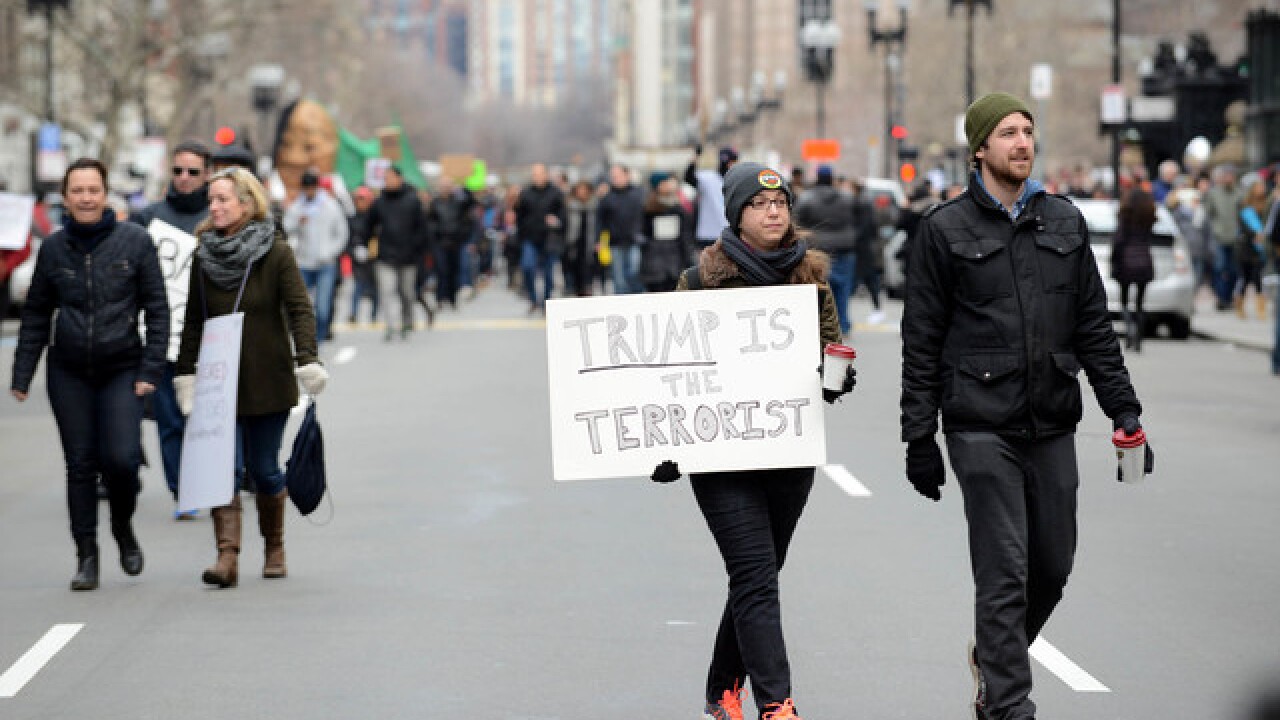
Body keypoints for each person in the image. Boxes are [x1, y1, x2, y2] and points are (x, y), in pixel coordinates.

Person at [900, 92, 1149, 720]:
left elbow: (1094, 324)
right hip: (979, 422)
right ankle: (1009, 705)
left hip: (1051, 419)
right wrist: (918, 436)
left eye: (1028, 131)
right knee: (1005, 567)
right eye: (1007, 132)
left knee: (1053, 564)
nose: (1022, 142)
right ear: (979, 148)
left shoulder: (1062, 221)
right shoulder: (943, 229)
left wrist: (1124, 412)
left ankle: (993, 653)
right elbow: (922, 337)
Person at [655, 162, 853, 720]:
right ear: (737, 216)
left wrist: (834, 380)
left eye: (781, 204)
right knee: (756, 578)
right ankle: (777, 703)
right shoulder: (698, 282)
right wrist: (665, 445)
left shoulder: (810, 282)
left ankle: (722, 689)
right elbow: (669, 376)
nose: (773, 212)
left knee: (756, 577)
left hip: (789, 454)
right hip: (722, 461)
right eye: (760, 205)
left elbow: (831, 352)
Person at [10, 158, 169, 591]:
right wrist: (22, 374)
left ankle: (122, 527)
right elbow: (37, 313)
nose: (85, 198)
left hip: (123, 368)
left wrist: (150, 368)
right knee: (79, 465)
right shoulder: (54, 249)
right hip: (70, 372)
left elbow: (157, 310)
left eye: (93, 190)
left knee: (120, 461)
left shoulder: (134, 242)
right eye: (77, 191)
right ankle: (86, 556)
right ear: (66, 197)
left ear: (105, 194)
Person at [174, 167, 325, 588]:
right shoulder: (203, 255)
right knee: (224, 469)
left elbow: (299, 308)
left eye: (223, 199)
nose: (215, 207)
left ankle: (274, 546)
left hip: (266, 377)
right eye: (212, 200)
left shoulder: (274, 250)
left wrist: (307, 358)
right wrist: (185, 374)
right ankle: (227, 557)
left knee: (263, 470)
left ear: (246, 202)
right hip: (219, 381)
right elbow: (192, 321)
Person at [129, 140, 212, 517]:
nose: (183, 178)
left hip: (210, 336)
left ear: (206, 174)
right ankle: (183, 493)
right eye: (178, 170)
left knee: (207, 418)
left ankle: (214, 481)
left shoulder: (220, 214)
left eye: (192, 172)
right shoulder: (147, 219)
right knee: (169, 419)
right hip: (162, 335)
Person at [362, 165, 427, 341]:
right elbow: (369, 225)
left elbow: (422, 229)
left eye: (391, 177)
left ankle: (407, 321)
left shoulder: (412, 201)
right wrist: (363, 244)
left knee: (406, 292)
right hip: (386, 255)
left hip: (408, 256)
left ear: (400, 178)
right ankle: (390, 325)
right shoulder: (380, 202)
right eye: (385, 178)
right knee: (387, 291)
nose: (388, 181)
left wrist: (417, 249)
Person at [283, 168, 348, 343]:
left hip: (325, 263)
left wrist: (331, 252)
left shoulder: (330, 205)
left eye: (312, 187)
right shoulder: (298, 206)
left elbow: (341, 232)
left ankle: (319, 338)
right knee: (302, 305)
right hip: (304, 263)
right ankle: (305, 338)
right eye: (307, 188)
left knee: (323, 305)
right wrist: (298, 221)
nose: (309, 191)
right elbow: (286, 227)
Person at [794, 164, 857, 335]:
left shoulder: (807, 198)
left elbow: (797, 221)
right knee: (843, 289)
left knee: (819, 290)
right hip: (845, 247)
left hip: (818, 249)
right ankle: (843, 324)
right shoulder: (847, 198)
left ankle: (821, 326)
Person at [514, 163, 566, 312]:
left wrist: (556, 222)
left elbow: (563, 216)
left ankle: (546, 301)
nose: (537, 177)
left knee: (548, 272)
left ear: (546, 175)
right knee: (528, 266)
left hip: (549, 238)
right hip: (530, 237)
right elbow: (519, 216)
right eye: (534, 174)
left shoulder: (555, 193)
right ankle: (533, 298)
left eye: (539, 174)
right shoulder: (526, 193)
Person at [1111, 188, 1157, 351]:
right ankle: (1138, 336)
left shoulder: (1125, 217)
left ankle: (1130, 328)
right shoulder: (1148, 217)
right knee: (1139, 303)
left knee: (1124, 301)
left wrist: (1114, 260)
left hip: (1126, 261)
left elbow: (1119, 240)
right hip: (1144, 260)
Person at [425, 175, 476, 308]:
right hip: (440, 242)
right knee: (442, 270)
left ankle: (452, 298)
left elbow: (471, 203)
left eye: (448, 186)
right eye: (443, 186)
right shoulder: (435, 203)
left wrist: (464, 186)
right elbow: (430, 222)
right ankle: (440, 297)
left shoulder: (458, 202)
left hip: (455, 241)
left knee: (454, 270)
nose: (445, 189)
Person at [596, 164, 646, 294]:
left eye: (618, 176)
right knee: (618, 277)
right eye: (613, 177)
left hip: (634, 240)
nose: (615, 179)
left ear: (627, 175)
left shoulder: (639, 194)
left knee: (634, 272)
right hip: (615, 242)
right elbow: (600, 220)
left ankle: (636, 298)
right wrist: (598, 240)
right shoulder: (607, 197)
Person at [639, 174, 693, 293]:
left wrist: (688, 260)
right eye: (665, 183)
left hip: (674, 262)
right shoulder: (648, 209)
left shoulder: (678, 208)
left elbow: (685, 235)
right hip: (654, 263)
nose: (669, 186)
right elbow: (641, 233)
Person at [684, 145, 738, 248]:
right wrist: (695, 158)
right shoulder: (708, 177)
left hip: (729, 234)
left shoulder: (736, 180)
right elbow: (688, 178)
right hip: (708, 234)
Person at [1205, 165, 1242, 311]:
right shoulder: (1214, 194)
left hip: (1234, 238)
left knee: (1233, 270)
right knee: (1219, 268)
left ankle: (1228, 296)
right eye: (1226, 176)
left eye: (1230, 176)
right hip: (1218, 237)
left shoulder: (1239, 194)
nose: (1228, 179)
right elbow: (1208, 214)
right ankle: (1221, 298)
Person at [849, 179, 886, 325]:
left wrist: (853, 238)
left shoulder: (862, 203)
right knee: (869, 281)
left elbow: (864, 227)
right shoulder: (866, 202)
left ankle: (877, 310)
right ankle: (877, 309)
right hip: (867, 249)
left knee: (862, 281)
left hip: (863, 249)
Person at [1236, 179, 1271, 320]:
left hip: (1260, 247)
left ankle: (1261, 309)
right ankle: (1239, 306)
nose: (1261, 190)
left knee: (1258, 278)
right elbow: (1242, 225)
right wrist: (1254, 235)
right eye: (1258, 187)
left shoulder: (1266, 205)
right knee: (1244, 278)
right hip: (1245, 247)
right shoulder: (1244, 205)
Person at [346, 186, 379, 324]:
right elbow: (346, 239)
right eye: (358, 199)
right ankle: (353, 313)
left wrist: (372, 250)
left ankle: (374, 315)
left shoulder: (375, 219)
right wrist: (354, 251)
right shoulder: (351, 219)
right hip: (357, 258)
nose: (361, 202)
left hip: (373, 257)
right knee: (358, 285)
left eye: (363, 199)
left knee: (375, 287)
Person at [563, 180, 599, 297]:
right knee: (574, 270)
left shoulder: (595, 206)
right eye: (580, 190)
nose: (582, 192)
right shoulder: (570, 205)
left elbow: (600, 224)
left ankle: (587, 291)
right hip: (574, 243)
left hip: (590, 243)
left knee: (588, 269)